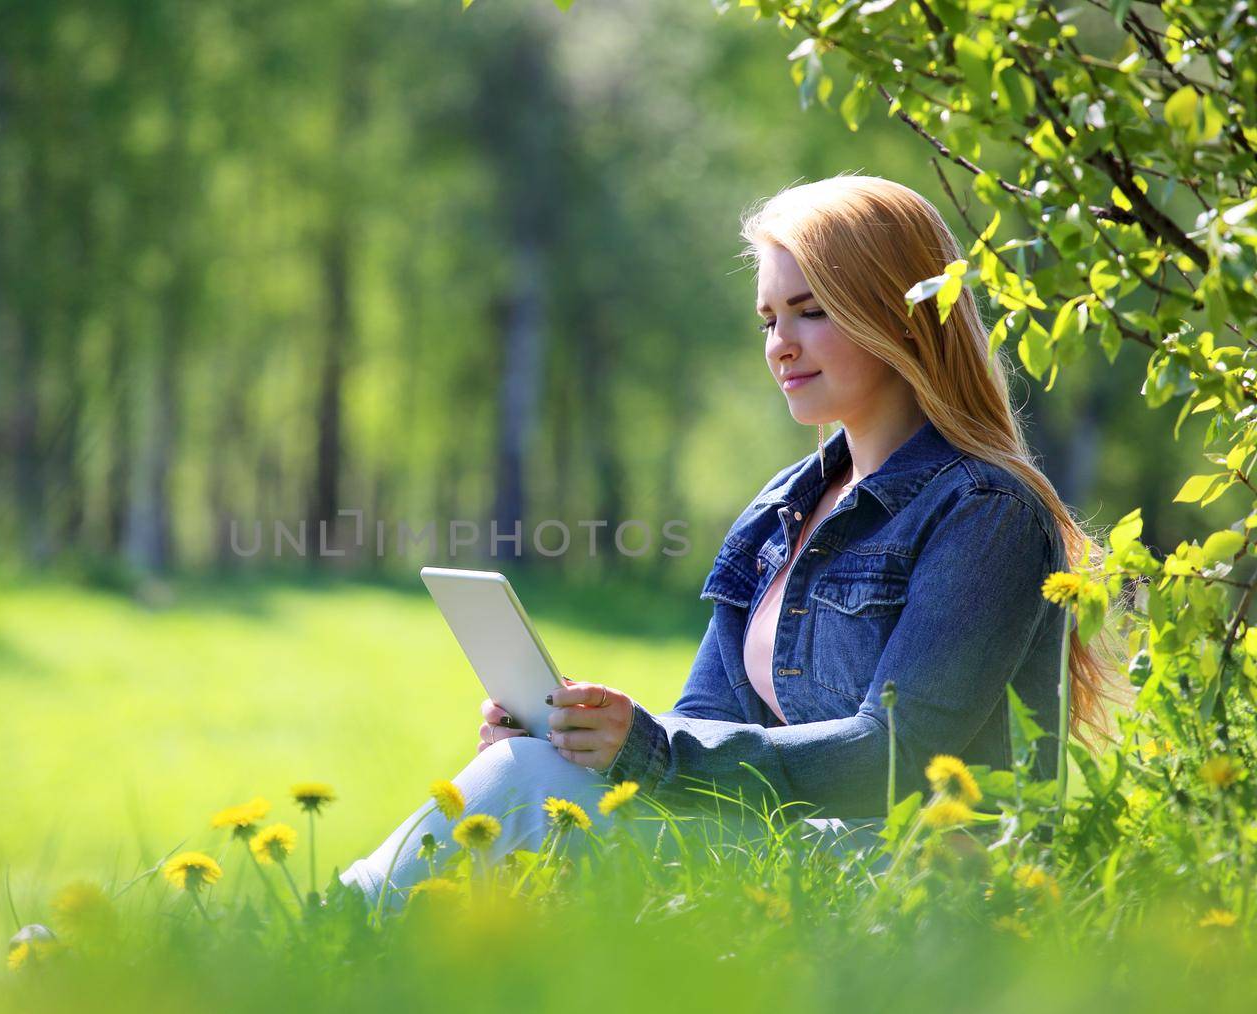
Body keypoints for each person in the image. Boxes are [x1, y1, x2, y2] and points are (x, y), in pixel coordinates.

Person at [338, 175, 1113, 904]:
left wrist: (648, 751)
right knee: (532, 767)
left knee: (533, 789)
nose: (780, 344)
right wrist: (582, 733)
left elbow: (898, 755)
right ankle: (348, 943)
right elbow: (703, 717)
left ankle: (329, 927)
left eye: (811, 311)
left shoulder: (986, 511)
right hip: (792, 852)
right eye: (770, 319)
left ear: (895, 313)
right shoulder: (784, 506)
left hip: (919, 879)